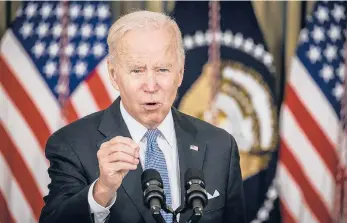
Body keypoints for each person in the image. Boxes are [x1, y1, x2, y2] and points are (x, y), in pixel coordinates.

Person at [39, 10, 246, 223]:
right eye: (137, 71)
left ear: (181, 73)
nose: (151, 86)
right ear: (113, 75)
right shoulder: (72, 144)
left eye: (163, 69)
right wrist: (102, 190)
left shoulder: (220, 146)